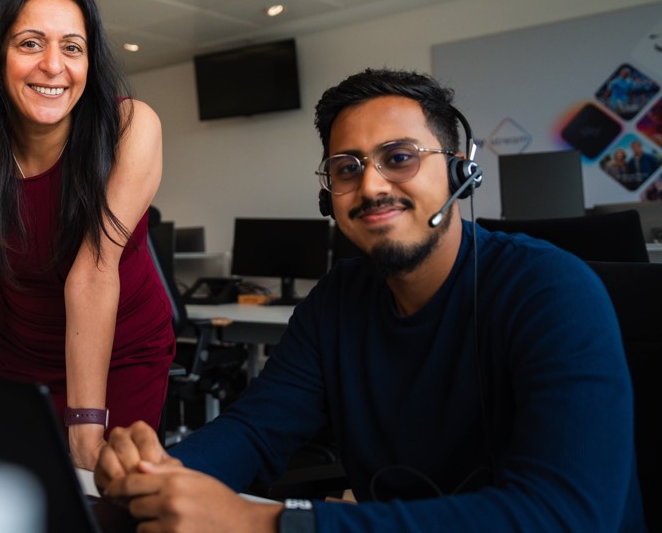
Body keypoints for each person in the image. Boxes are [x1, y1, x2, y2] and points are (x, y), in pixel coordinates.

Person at [95, 69, 645, 531]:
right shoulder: (337, 301)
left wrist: (267, 523)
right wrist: (158, 472)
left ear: (459, 171)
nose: (373, 186)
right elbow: (257, 431)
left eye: (400, 157)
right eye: (347, 168)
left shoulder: (550, 290)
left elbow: (567, 514)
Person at [0, 0, 175, 470]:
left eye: (72, 47)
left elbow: (93, 273)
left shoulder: (131, 128)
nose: (52, 66)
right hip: (23, 353)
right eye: (30, 43)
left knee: (102, 499)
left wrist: (86, 425)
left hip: (122, 354)